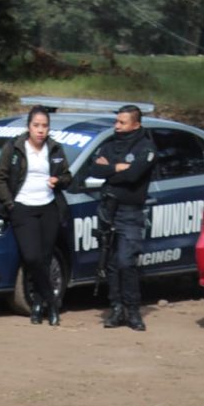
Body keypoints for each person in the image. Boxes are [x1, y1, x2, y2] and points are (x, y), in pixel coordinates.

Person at [0, 106, 73, 326]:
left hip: (49, 207)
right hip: (22, 207)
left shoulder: (55, 148)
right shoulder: (14, 147)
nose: (40, 130)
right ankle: (53, 302)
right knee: (31, 257)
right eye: (36, 125)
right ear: (28, 127)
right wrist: (10, 203)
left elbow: (67, 176)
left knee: (45, 259)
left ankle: (38, 305)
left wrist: (59, 181)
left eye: (44, 126)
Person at [84, 104, 156, 332]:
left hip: (130, 211)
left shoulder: (146, 146)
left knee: (127, 261)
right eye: (116, 122)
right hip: (108, 208)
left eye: (122, 123)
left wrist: (111, 170)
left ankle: (133, 310)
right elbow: (94, 169)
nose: (117, 126)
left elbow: (134, 175)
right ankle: (116, 308)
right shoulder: (110, 144)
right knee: (111, 263)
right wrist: (118, 167)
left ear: (136, 124)